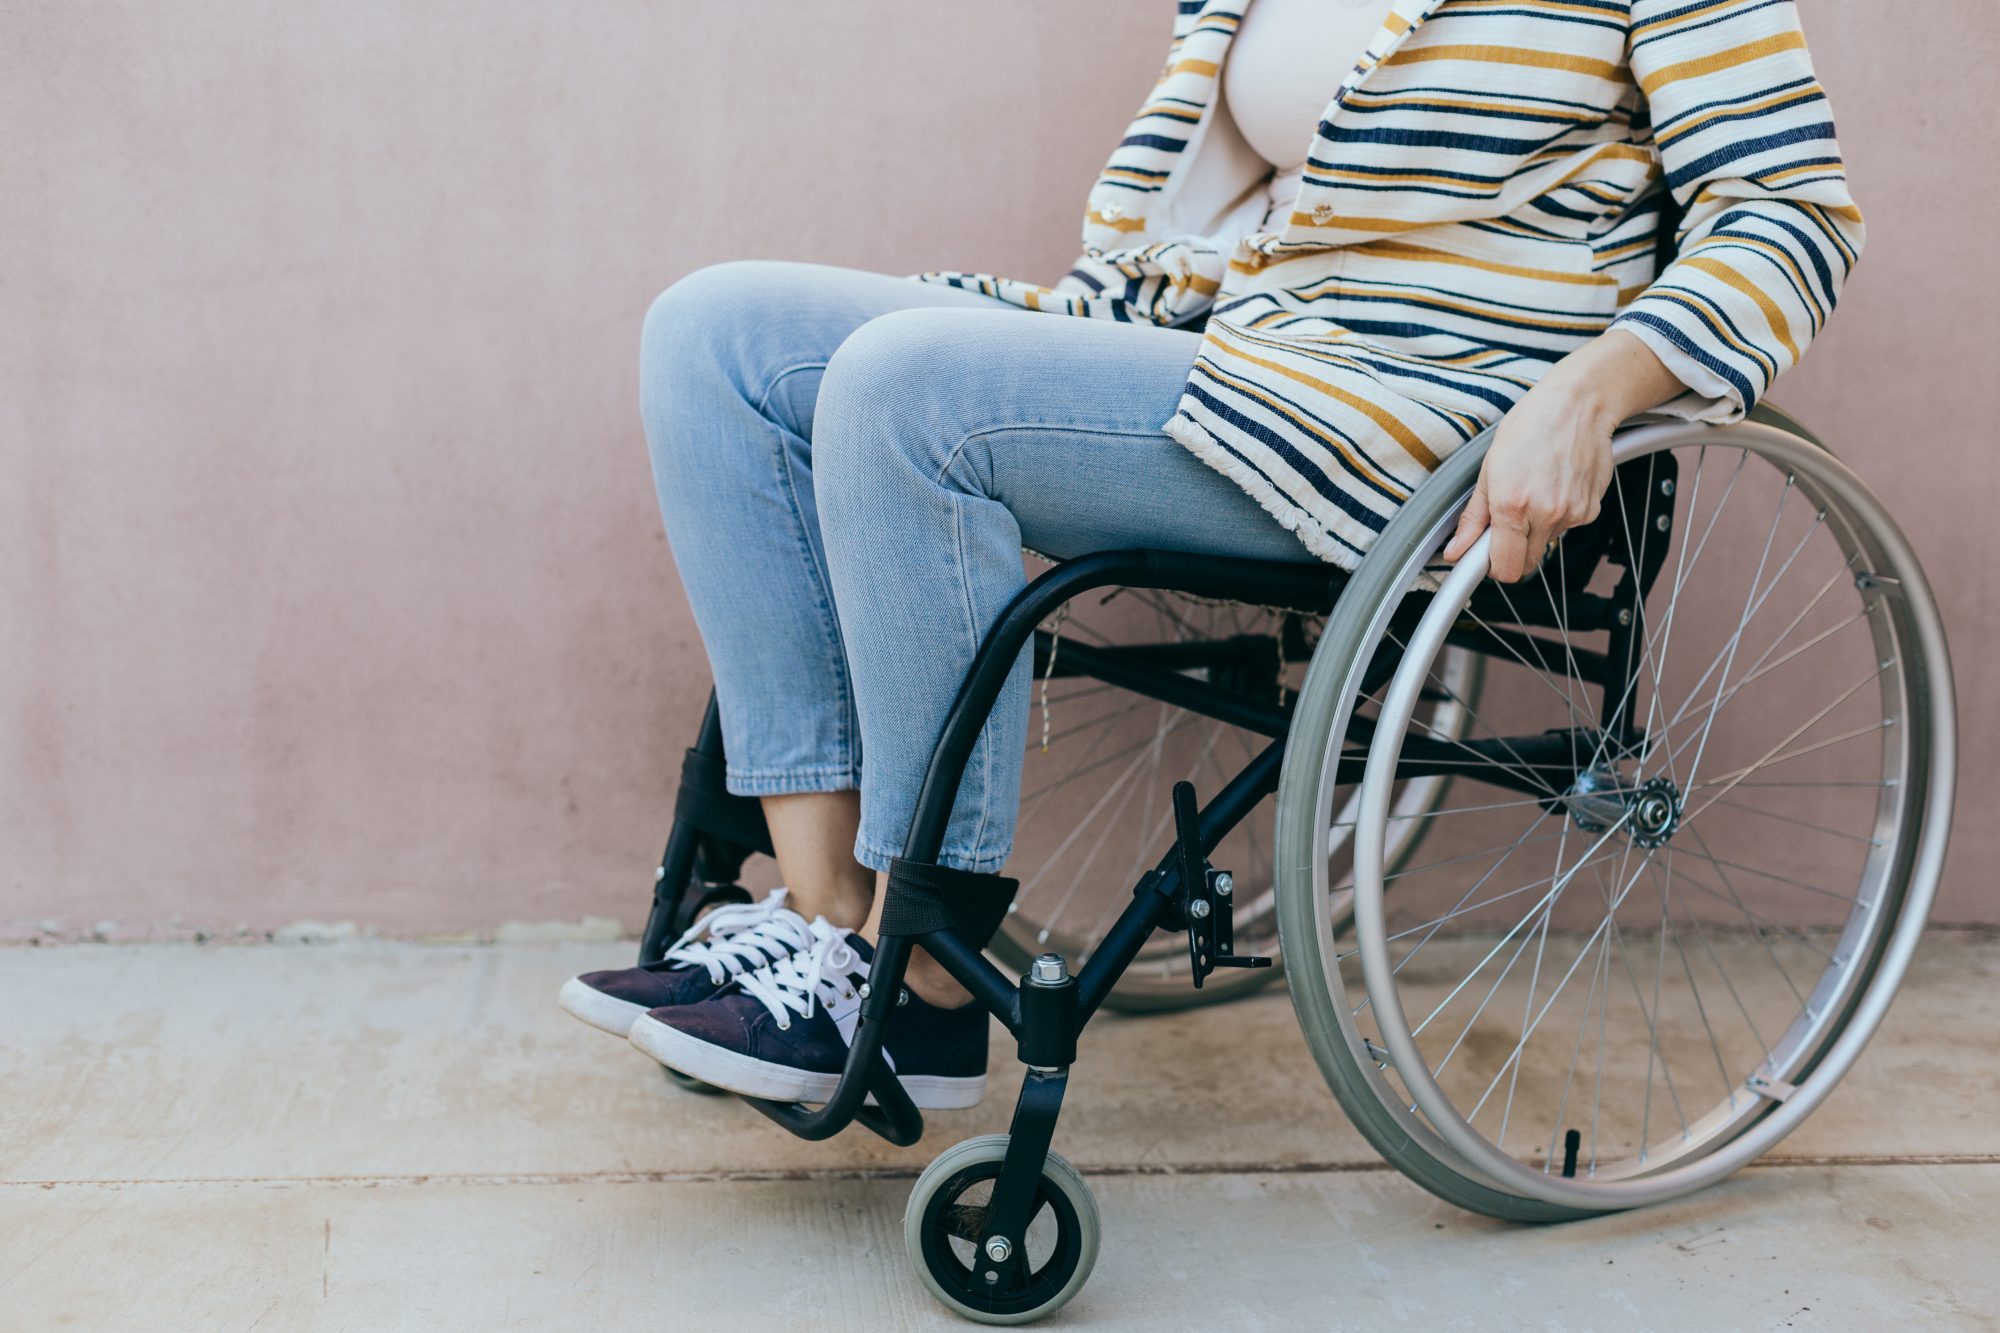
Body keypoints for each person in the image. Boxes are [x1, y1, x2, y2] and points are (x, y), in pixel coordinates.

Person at [560, 0, 1862, 1109]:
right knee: (712, 335)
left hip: (1420, 411)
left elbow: (1790, 215)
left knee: (905, 389)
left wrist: (1589, 392)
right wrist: (1046, 325)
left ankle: (926, 970)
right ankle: (833, 921)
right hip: (1234, 354)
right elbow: (1202, 225)